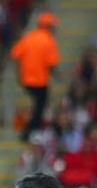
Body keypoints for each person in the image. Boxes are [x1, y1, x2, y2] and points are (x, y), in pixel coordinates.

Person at [11, 13, 61, 141]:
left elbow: (16, 55)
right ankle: (29, 133)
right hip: (40, 82)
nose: (54, 29)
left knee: (33, 107)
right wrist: (59, 77)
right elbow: (52, 64)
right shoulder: (48, 40)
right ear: (47, 26)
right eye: (53, 26)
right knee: (39, 109)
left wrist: (19, 75)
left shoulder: (29, 37)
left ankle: (26, 131)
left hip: (26, 81)